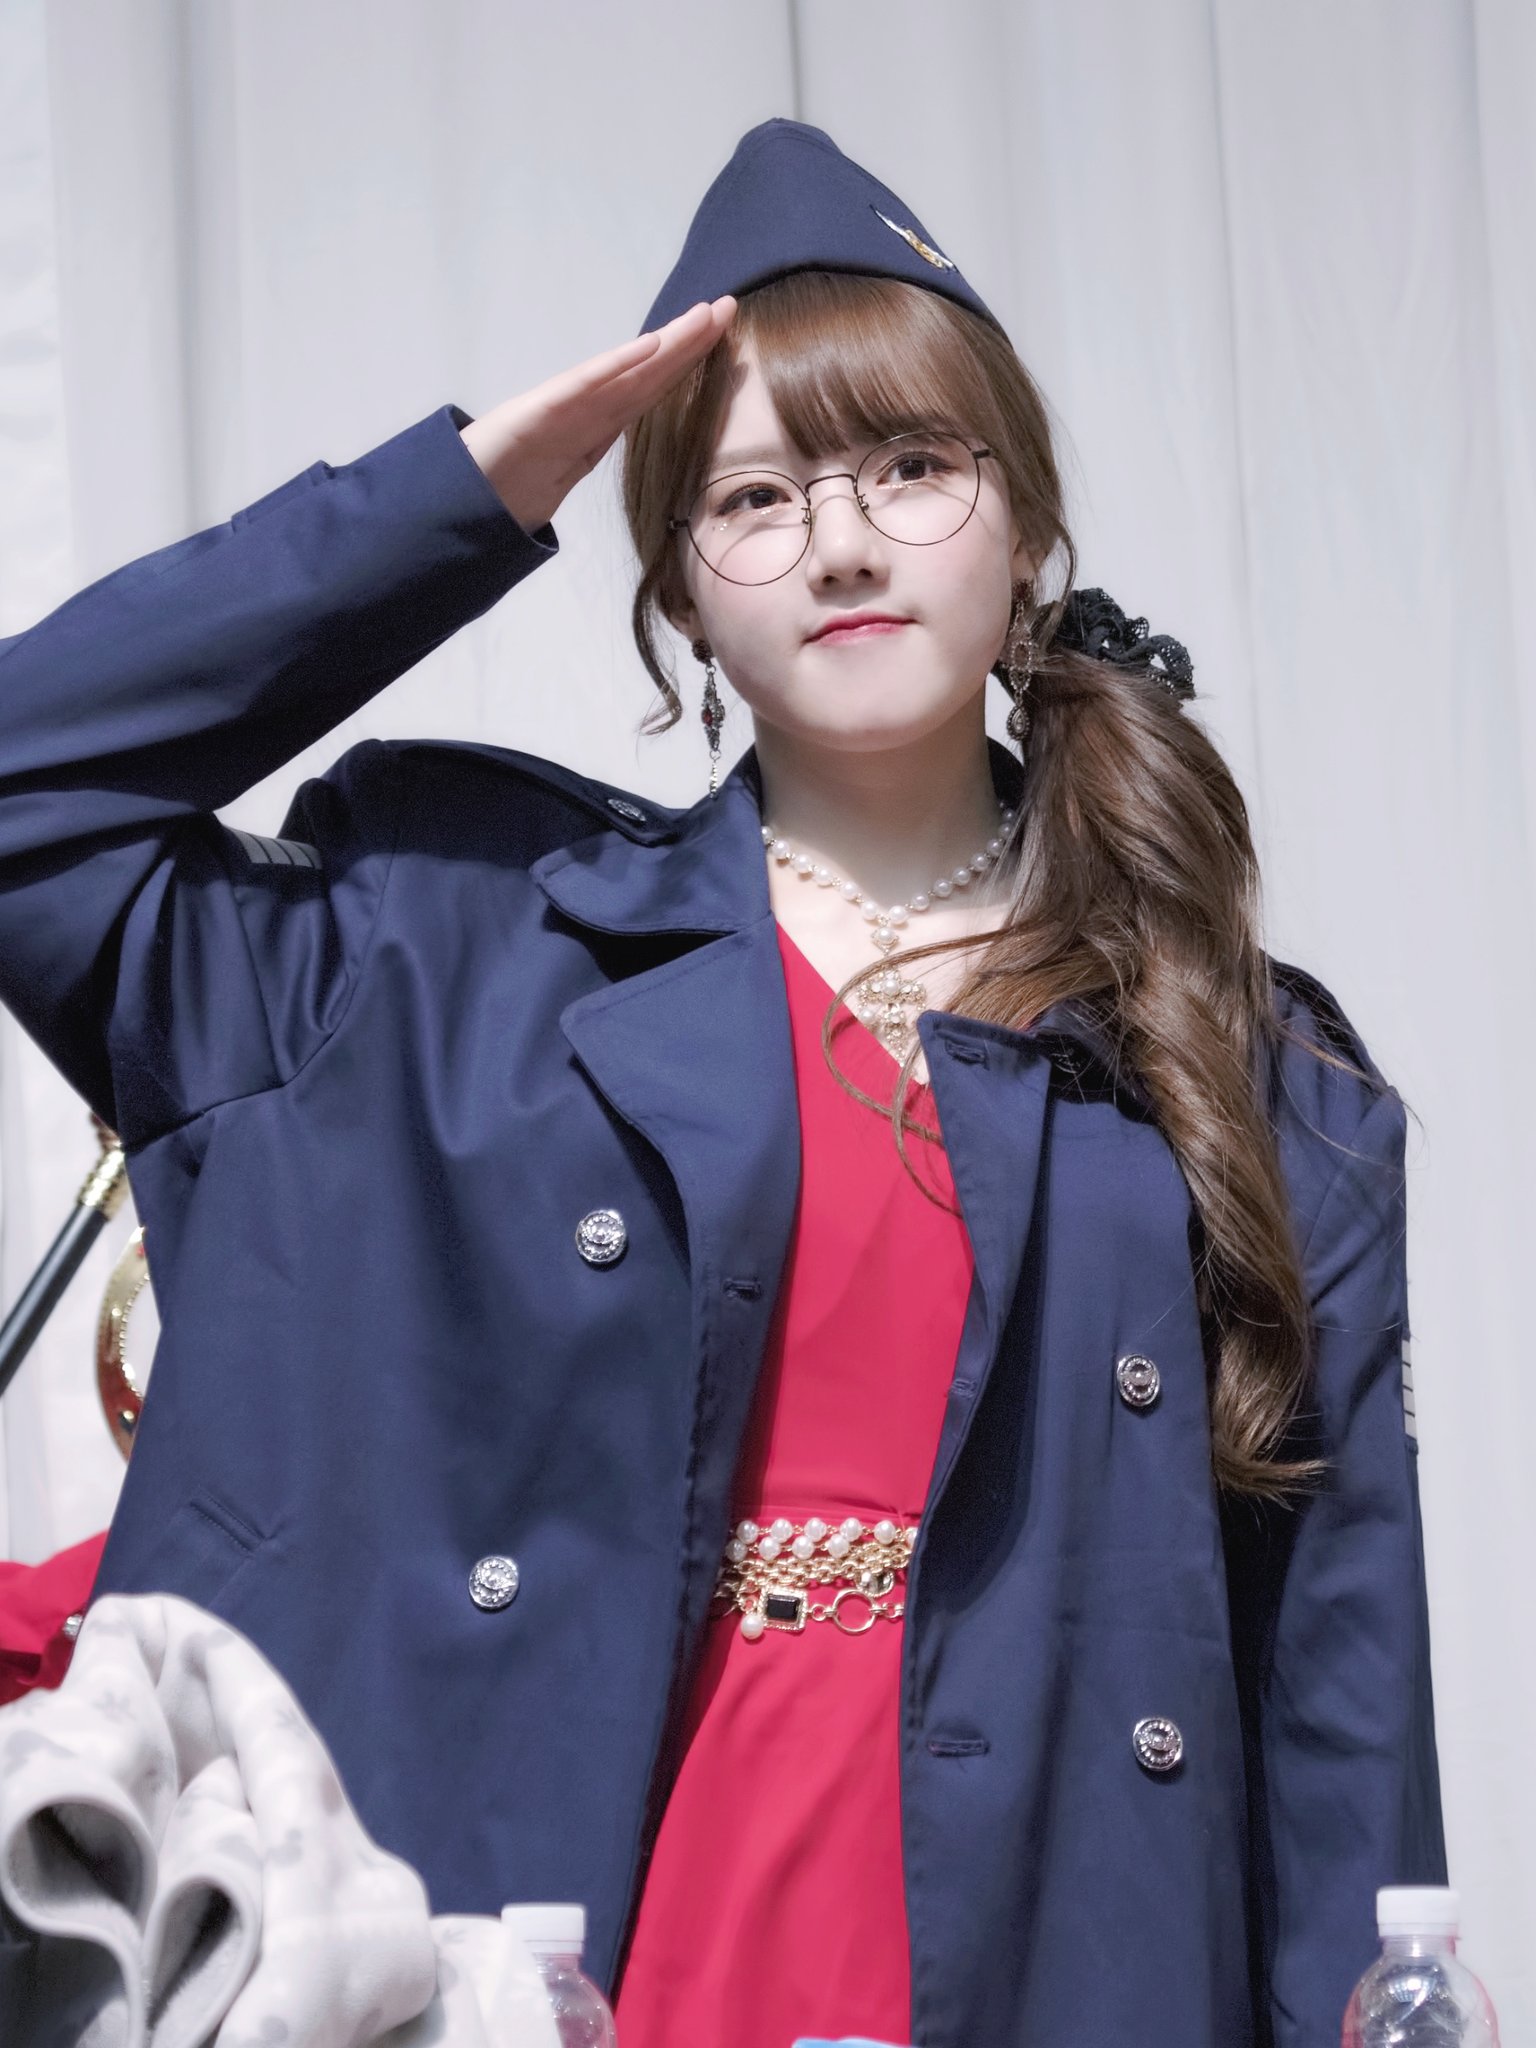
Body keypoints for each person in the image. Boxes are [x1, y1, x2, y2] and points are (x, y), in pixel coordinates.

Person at [0, 118, 1444, 2047]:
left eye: (911, 466)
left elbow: (1342, 1724)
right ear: (678, 587)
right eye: (752, 497)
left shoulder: (1254, 1076)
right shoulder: (429, 956)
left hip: (1058, 1948)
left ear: (1026, 526)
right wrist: (464, 496)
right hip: (552, 1947)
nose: (840, 541)